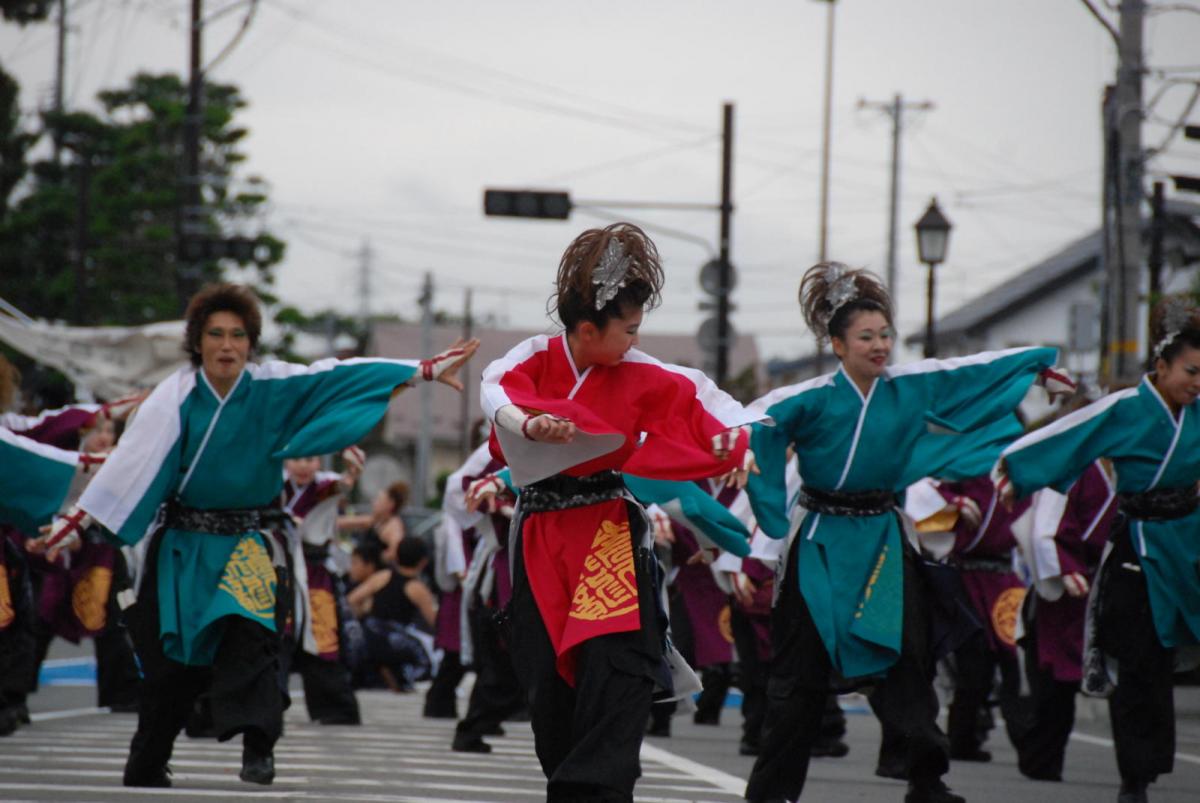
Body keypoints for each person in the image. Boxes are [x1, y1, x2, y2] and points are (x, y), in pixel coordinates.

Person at [31, 282, 476, 789]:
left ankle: (258, 747)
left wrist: (420, 372)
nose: (226, 345)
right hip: (182, 546)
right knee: (173, 664)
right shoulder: (172, 398)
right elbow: (130, 468)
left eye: (237, 335)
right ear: (197, 342)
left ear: (250, 341)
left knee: (257, 641)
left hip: (246, 543)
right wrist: (77, 521)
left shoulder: (271, 386)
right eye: (215, 334)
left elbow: (335, 377)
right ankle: (149, 758)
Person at [742, 262, 1069, 803]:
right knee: (799, 677)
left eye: (885, 335)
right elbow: (754, 421)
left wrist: (1032, 369)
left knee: (905, 661)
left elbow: (968, 370)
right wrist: (755, 481)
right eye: (866, 336)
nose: (879, 346)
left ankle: (926, 781)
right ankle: (771, 793)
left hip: (882, 541)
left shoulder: (907, 389)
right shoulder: (812, 398)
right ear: (837, 344)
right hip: (820, 539)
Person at [480, 222, 762, 802]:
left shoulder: (641, 373)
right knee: (548, 687)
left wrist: (737, 444)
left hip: (606, 527)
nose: (635, 341)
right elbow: (498, 392)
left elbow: (706, 402)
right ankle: (575, 783)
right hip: (540, 532)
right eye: (628, 330)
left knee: (619, 668)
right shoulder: (532, 357)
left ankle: (597, 791)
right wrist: (531, 424)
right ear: (588, 329)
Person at [995, 296, 1200, 803]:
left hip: (1187, 547)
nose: (1197, 383)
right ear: (1161, 364)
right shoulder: (1126, 409)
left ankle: (1146, 764)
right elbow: (1069, 436)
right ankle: (1136, 775)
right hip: (1135, 545)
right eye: (1191, 371)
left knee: (1162, 661)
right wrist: (1019, 474)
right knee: (1137, 660)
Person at [1015, 458, 1115, 782]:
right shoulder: (1074, 467)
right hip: (1065, 586)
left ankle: (1138, 770)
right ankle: (1042, 758)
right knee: (1054, 681)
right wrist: (1065, 566)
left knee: (1129, 677)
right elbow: (1046, 528)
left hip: (1114, 585)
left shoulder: (1139, 463)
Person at [276, 449, 365, 725]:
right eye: (298, 459)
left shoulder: (325, 484)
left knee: (323, 639)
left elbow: (345, 483)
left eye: (310, 459)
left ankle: (334, 709)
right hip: (280, 570)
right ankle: (267, 705)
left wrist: (352, 469)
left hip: (315, 574)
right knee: (276, 638)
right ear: (286, 461)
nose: (304, 466)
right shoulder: (274, 483)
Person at [347, 538, 438, 691]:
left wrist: (363, 611)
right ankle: (398, 674)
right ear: (423, 562)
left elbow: (351, 600)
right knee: (424, 656)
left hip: (370, 633)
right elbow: (434, 621)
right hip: (394, 638)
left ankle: (384, 671)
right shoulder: (417, 588)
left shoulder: (383, 576)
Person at [341, 481, 407, 563]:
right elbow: (345, 522)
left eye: (378, 500)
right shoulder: (376, 520)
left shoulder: (393, 526)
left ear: (390, 504)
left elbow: (395, 552)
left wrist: (370, 562)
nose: (373, 503)